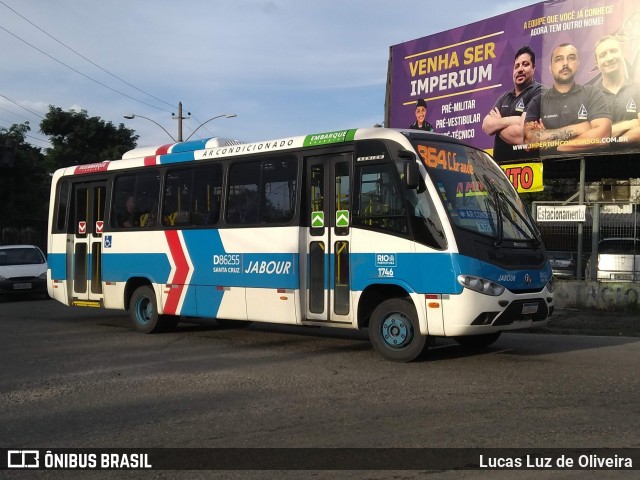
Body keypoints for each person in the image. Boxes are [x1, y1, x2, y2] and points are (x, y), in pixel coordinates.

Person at [524, 43, 611, 153]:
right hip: (549, 169)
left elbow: (603, 135)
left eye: (571, 58)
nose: (565, 63)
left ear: (578, 64)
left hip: (587, 168)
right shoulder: (538, 101)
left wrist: (557, 145)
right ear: (550, 68)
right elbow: (529, 140)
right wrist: (581, 128)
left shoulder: (592, 93)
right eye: (559, 59)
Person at [482, 46, 542, 162]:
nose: (520, 69)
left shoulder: (539, 92)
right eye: (517, 66)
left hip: (528, 170)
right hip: (501, 171)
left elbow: (523, 135)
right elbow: (486, 126)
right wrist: (514, 120)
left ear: (533, 68)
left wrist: (497, 126)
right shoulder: (504, 97)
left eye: (525, 64)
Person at [594, 35, 640, 143]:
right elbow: (588, 137)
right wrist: (629, 124)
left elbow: (597, 138)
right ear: (597, 64)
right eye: (603, 55)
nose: (609, 58)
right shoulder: (590, 95)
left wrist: (607, 139)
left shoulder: (638, 89)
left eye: (613, 51)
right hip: (597, 160)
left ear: (622, 54)